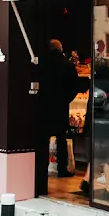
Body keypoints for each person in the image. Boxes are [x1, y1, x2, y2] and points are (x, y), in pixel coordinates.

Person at [39, 39, 78, 177]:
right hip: (61, 105)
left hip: (44, 105)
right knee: (61, 137)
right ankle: (62, 168)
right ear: (60, 48)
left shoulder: (42, 62)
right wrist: (66, 99)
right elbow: (75, 85)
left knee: (44, 137)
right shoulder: (67, 64)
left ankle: (41, 169)